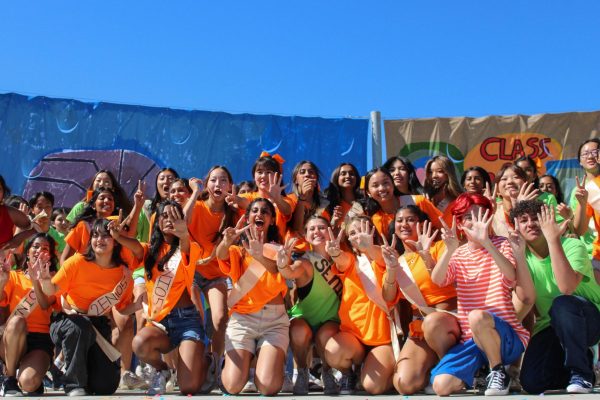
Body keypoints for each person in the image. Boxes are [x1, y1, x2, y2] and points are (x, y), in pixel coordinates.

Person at [429, 193, 531, 396]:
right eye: (468, 216)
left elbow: (511, 277)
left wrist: (487, 243)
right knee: (441, 386)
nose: (475, 221)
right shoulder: (458, 253)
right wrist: (449, 250)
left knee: (477, 315)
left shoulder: (501, 244)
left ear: (489, 218)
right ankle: (480, 374)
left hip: (506, 337)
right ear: (459, 223)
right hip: (472, 341)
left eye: (480, 215)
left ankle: (498, 371)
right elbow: (438, 280)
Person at [38, 219, 139, 396]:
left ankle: (71, 373)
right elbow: (52, 290)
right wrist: (45, 280)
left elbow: (122, 309)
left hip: (98, 326)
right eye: (95, 235)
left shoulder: (122, 273)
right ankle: (73, 384)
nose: (99, 240)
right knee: (80, 326)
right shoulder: (76, 262)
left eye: (106, 236)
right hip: (67, 321)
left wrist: (138, 306)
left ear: (115, 241)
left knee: (105, 386)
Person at [512, 201, 600, 394]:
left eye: (536, 218)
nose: (531, 224)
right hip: (550, 325)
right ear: (516, 227)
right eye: (524, 220)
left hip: (589, 321)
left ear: (548, 219)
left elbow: (566, 287)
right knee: (532, 383)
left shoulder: (572, 245)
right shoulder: (519, 256)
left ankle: (581, 373)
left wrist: (553, 240)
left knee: (562, 303)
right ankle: (580, 362)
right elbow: (524, 300)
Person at [129, 200, 211, 396]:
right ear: (157, 222)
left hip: (187, 321)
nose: (169, 220)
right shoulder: (149, 251)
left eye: (175, 215)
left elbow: (185, 247)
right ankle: (162, 370)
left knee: (188, 388)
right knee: (139, 343)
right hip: (161, 324)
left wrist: (183, 234)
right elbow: (130, 244)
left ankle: (207, 361)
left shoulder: (191, 247)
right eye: (165, 216)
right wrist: (117, 234)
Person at [380, 206, 459, 395]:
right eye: (399, 220)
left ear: (422, 224)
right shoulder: (396, 262)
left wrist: (427, 257)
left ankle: (452, 372)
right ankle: (435, 370)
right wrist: (391, 269)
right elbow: (388, 297)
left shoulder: (440, 247)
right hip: (422, 326)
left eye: (410, 220)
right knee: (403, 383)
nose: (404, 224)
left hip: (452, 321)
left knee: (432, 323)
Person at [216, 198, 290, 396]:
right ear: (247, 218)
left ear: (272, 220)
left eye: (265, 211)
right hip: (243, 320)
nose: (259, 214)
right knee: (232, 386)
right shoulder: (238, 250)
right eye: (254, 211)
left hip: (274, 321)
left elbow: (277, 269)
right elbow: (220, 255)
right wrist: (226, 241)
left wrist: (259, 256)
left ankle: (265, 363)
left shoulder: (279, 250)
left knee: (268, 387)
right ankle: (241, 364)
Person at [323, 216, 400, 395]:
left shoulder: (387, 256)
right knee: (334, 350)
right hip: (354, 338)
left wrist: (369, 248)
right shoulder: (351, 260)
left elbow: (382, 260)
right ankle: (349, 372)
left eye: (362, 230)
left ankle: (379, 370)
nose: (358, 236)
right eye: (352, 233)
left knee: (373, 387)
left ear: (372, 230)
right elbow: (342, 260)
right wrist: (334, 253)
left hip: (382, 339)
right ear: (347, 240)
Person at [276, 216, 342, 395]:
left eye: (321, 227)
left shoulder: (341, 259)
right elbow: (290, 271)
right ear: (306, 236)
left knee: (326, 334)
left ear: (330, 232)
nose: (317, 232)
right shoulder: (305, 261)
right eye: (312, 229)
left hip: (330, 321)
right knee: (298, 331)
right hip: (303, 319)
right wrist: (283, 265)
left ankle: (326, 372)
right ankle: (303, 372)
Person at [0, 234, 58, 396]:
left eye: (45, 248)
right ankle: (10, 378)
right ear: (27, 252)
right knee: (18, 320)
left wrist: (35, 281)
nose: (40, 250)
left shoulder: (53, 279)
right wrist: (2, 282)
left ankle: (32, 377)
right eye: (36, 247)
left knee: (29, 383)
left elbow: (45, 304)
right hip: (11, 336)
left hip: (39, 339)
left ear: (50, 255)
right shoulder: (13, 276)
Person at [66, 170, 149, 243]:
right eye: (98, 180)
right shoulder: (82, 222)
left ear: (113, 188)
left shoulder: (117, 218)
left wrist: (137, 207)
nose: (102, 184)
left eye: (106, 182)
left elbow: (129, 233)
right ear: (93, 205)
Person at [364, 168, 444, 237]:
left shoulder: (418, 201)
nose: (381, 188)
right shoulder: (376, 219)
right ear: (368, 192)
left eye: (385, 183)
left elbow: (443, 227)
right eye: (375, 185)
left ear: (393, 184)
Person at [572, 138, 600, 284]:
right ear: (580, 161)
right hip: (596, 255)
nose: (590, 156)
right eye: (585, 154)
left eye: (595, 152)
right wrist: (582, 204)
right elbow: (579, 230)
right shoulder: (582, 191)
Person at [324, 163, 363, 229]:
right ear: (336, 178)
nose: (348, 176)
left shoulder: (365, 203)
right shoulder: (329, 205)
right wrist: (335, 221)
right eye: (343, 174)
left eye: (351, 174)